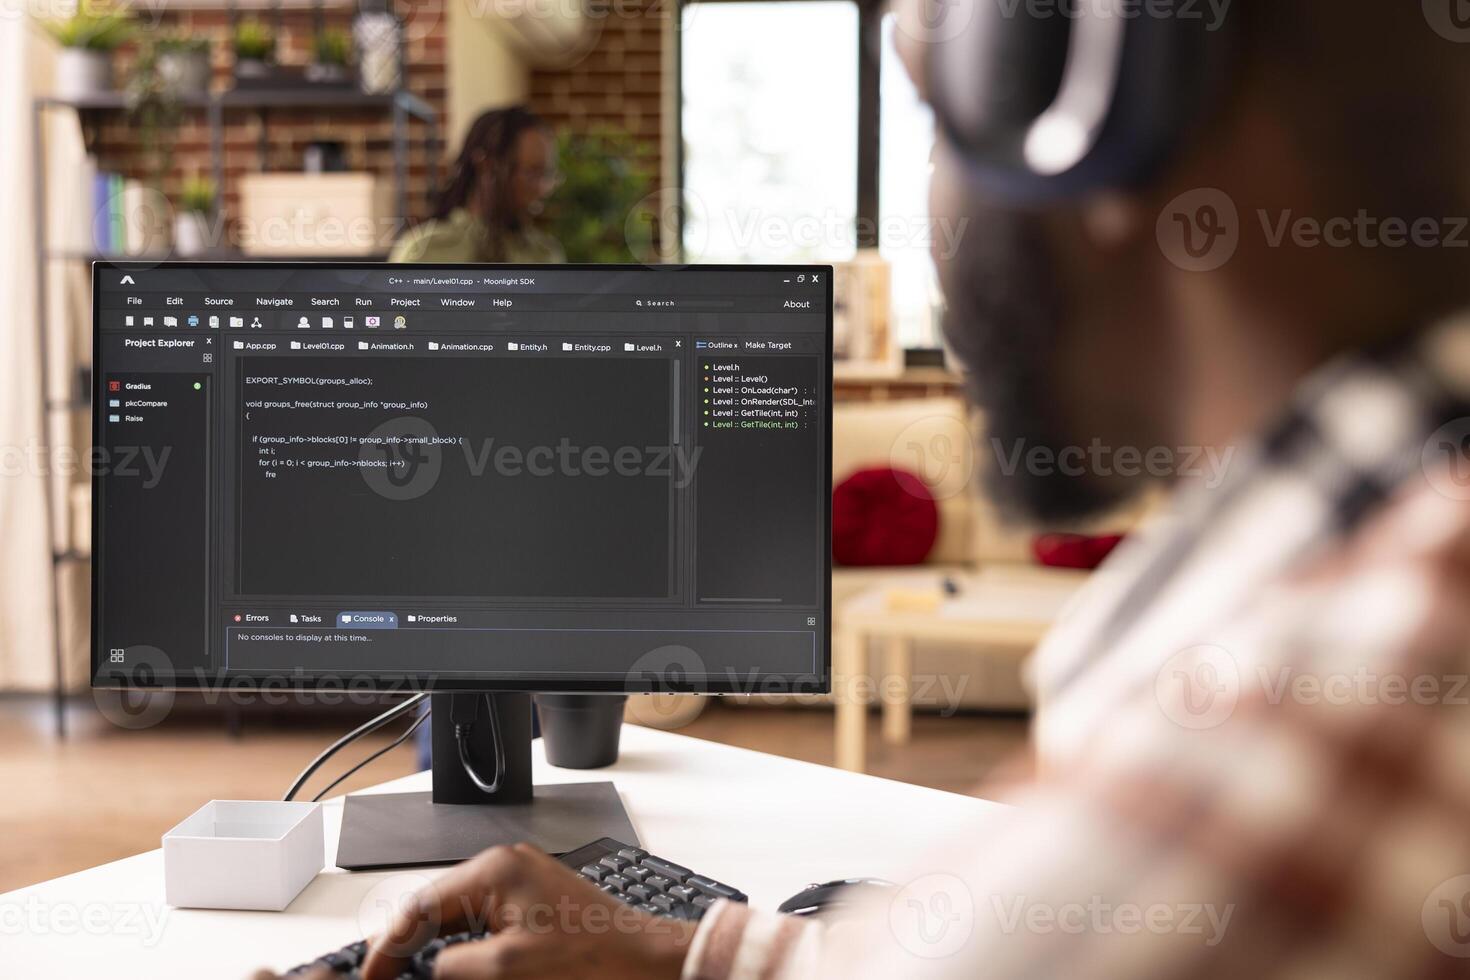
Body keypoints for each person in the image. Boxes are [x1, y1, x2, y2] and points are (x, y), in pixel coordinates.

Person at [271, 2, 1470, 977]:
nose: (938, 219)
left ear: (1088, 113)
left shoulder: (1327, 722)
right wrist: (699, 951)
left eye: (935, 126)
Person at [390, 105, 564, 264]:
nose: (543, 189)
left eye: (547, 174)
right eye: (532, 173)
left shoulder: (545, 254)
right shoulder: (426, 252)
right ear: (487, 166)